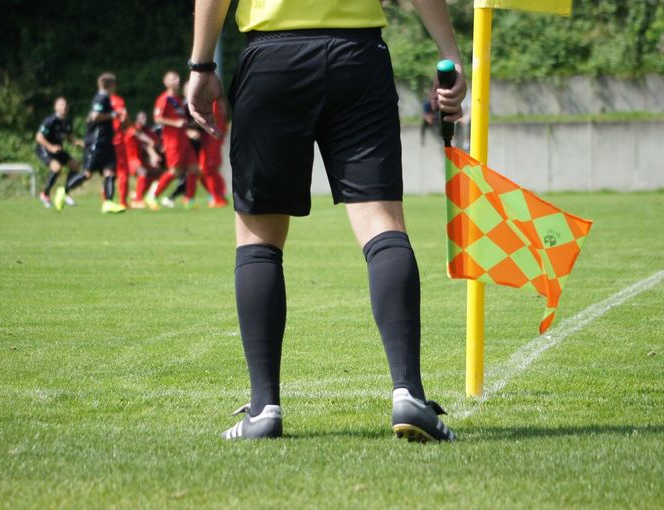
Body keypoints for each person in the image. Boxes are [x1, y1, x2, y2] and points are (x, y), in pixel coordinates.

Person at [188, 0, 466, 441]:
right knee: (382, 223)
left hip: (273, 59)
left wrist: (202, 64)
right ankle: (409, 394)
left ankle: (263, 410)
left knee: (259, 234)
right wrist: (449, 50)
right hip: (358, 58)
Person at [54, 73, 126, 214]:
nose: (116, 87)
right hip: (96, 142)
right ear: (110, 85)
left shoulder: (106, 98)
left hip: (106, 142)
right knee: (87, 173)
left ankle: (108, 203)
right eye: (114, 84)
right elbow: (94, 116)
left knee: (109, 171)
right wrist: (113, 115)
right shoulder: (101, 98)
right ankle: (63, 190)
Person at [146, 71, 201, 209]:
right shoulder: (163, 99)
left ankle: (189, 201)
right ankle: (152, 196)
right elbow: (157, 118)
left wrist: (191, 127)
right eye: (172, 78)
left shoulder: (177, 100)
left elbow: (182, 122)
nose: (176, 80)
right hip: (172, 141)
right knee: (175, 171)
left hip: (184, 141)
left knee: (193, 169)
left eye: (177, 77)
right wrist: (175, 123)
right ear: (166, 83)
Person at [34, 97, 83, 208]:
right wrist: (50, 147)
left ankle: (65, 193)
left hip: (57, 149)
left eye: (65, 104)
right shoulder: (50, 121)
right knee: (56, 168)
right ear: (56, 107)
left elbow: (70, 139)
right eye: (61, 104)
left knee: (75, 166)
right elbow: (39, 137)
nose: (64, 106)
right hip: (44, 149)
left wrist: (79, 143)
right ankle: (45, 194)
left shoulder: (68, 121)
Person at [125, 111, 163, 209]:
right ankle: (138, 200)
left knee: (156, 172)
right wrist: (150, 143)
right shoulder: (133, 129)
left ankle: (138, 195)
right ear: (137, 119)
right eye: (142, 118)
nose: (144, 120)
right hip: (130, 160)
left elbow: (151, 146)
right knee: (143, 172)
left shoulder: (149, 132)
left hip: (141, 160)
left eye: (145, 117)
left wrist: (154, 156)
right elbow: (141, 138)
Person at [111, 91, 131, 208]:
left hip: (104, 140)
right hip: (117, 140)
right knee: (122, 171)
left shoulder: (99, 100)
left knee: (108, 170)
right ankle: (123, 201)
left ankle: (106, 199)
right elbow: (124, 118)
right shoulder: (117, 100)